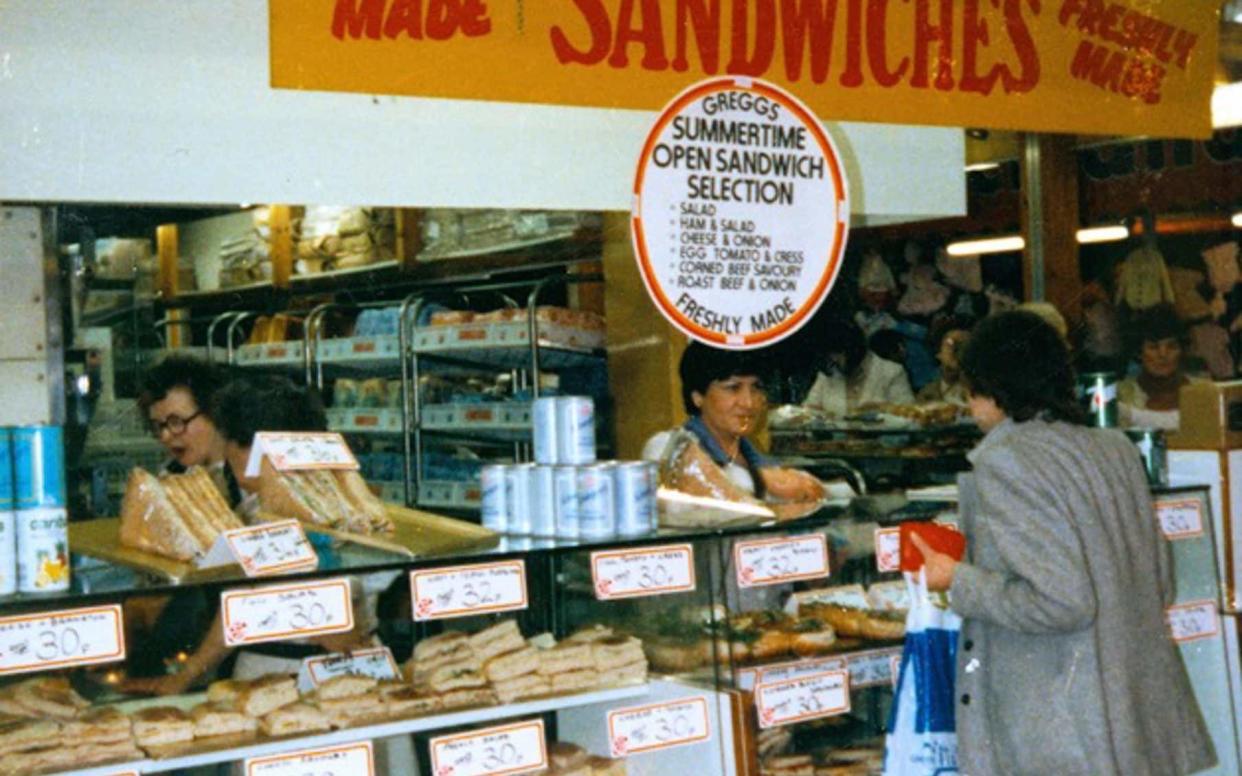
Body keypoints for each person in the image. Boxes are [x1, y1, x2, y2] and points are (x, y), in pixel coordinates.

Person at [911, 310, 1215, 776]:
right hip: (1133, 721)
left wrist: (959, 580)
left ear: (994, 384)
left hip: (1061, 729)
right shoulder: (1114, 449)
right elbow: (1161, 584)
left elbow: (1061, 602)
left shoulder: (1007, 461)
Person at [642, 342, 824, 502]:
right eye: (733, 388)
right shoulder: (665, 447)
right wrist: (762, 481)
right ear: (697, 396)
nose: (748, 403)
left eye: (756, 388)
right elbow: (701, 481)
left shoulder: (762, 461)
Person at [136, 354, 238, 504]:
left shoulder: (246, 477)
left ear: (213, 412)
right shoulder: (171, 477)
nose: (165, 436)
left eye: (176, 422)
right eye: (158, 425)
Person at [1118, 304, 1208, 430]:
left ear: (1182, 351)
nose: (1163, 355)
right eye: (1153, 347)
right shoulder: (1121, 395)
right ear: (1139, 352)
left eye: (1172, 347)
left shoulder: (1205, 391)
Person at [802, 321, 914, 415]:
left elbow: (908, 417)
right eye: (829, 355)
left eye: (837, 353)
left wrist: (881, 409)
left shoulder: (891, 372)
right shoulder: (827, 373)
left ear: (854, 350)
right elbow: (808, 412)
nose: (833, 360)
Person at [915, 324, 969, 405]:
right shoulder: (927, 394)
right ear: (938, 353)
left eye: (963, 344)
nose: (957, 349)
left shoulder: (987, 392)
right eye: (950, 344)